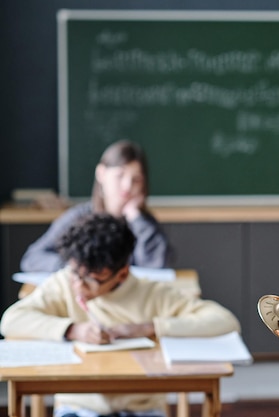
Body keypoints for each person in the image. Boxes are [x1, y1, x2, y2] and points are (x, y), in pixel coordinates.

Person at [0, 213, 241, 417]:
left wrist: (148, 327)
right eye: (75, 272)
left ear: (122, 274)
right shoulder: (64, 283)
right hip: (80, 408)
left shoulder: (150, 293)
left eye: (91, 279)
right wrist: (73, 329)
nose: (78, 285)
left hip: (142, 409)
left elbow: (226, 322)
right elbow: (11, 320)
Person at [20, 140, 171, 272]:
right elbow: (32, 258)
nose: (127, 186)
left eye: (136, 179)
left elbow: (155, 267)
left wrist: (136, 219)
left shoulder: (144, 224)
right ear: (101, 174)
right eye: (120, 175)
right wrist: (74, 268)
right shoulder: (79, 218)